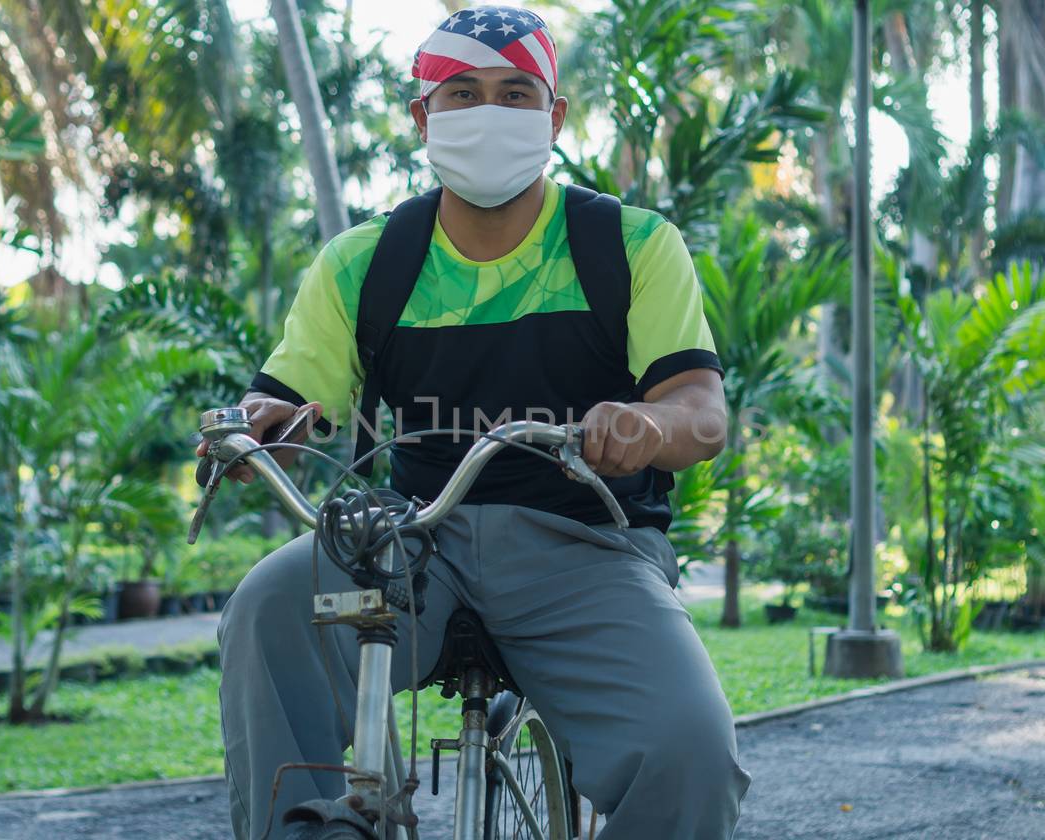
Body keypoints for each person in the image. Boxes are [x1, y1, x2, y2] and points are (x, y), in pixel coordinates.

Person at [210, 5, 751, 838]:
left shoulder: (629, 245)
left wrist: (646, 426)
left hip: (589, 545)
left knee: (692, 751)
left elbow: (700, 413)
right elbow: (289, 401)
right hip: (413, 542)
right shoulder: (365, 263)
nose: (489, 113)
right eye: (461, 94)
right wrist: (262, 428)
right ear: (422, 117)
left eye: (515, 93)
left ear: (554, 116)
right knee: (267, 606)